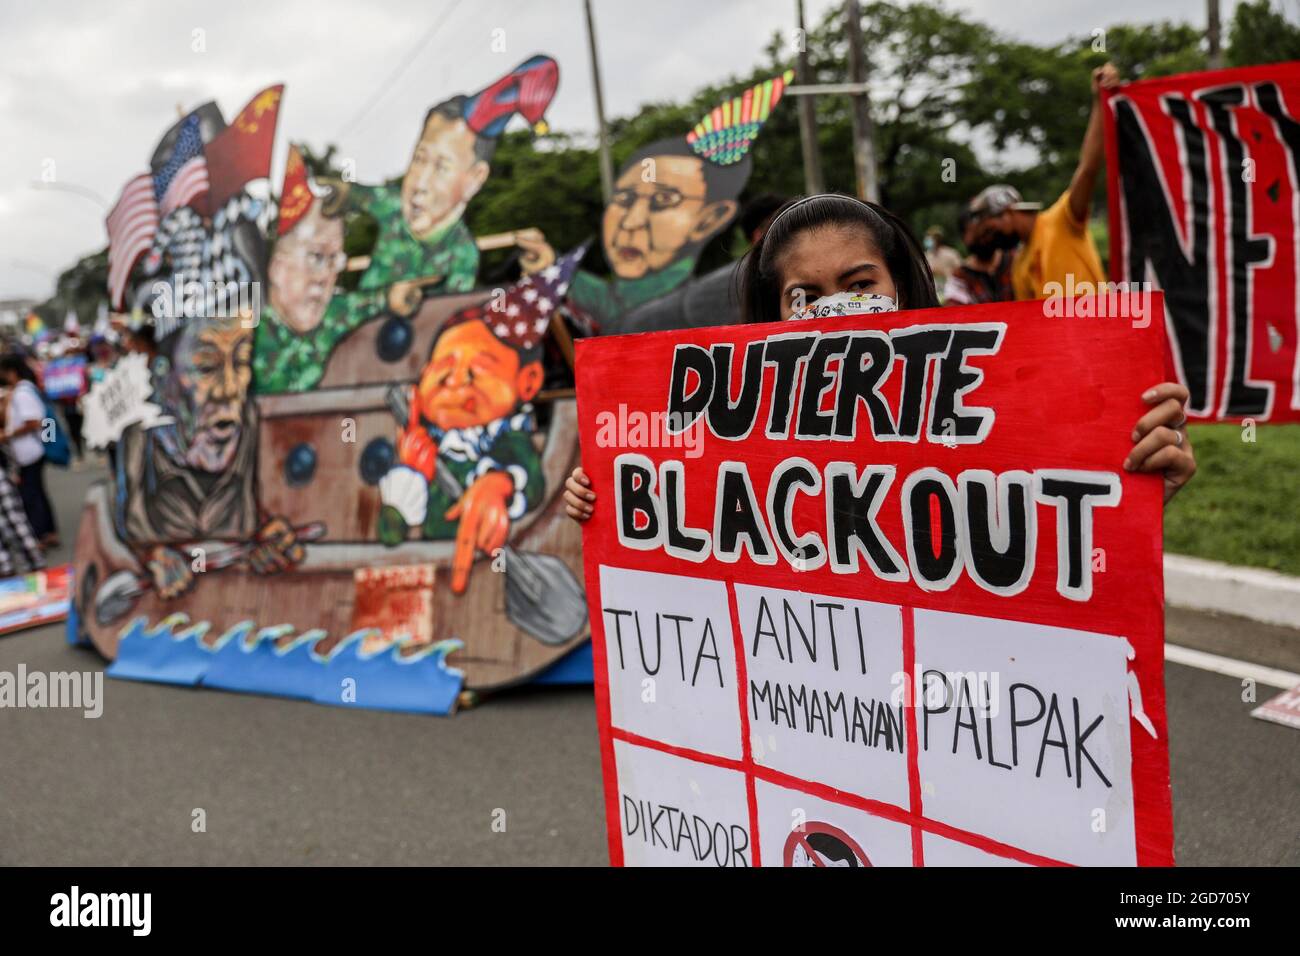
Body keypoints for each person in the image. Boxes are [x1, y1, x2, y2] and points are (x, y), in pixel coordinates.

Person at [564, 193, 1196, 520]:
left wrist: (1137, 491)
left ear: (904, 286)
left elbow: (1053, 534)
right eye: (804, 295)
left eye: (860, 285)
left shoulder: (989, 397)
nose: (835, 308)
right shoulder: (732, 430)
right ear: (772, 312)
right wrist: (607, 499)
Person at [113, 313, 303, 599]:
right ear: (168, 379)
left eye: (240, 363)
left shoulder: (249, 423)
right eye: (206, 367)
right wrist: (152, 554)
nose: (228, 388)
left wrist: (268, 535)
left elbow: (258, 513)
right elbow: (127, 533)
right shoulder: (140, 435)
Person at [969, 63, 1121, 301]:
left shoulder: (1063, 220)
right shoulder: (1019, 266)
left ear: (1006, 213)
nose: (992, 239)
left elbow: (1088, 169)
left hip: (1100, 334)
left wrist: (1099, 103)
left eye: (991, 229)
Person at [0, 354, 58, 548]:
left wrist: (8, 435)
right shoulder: (23, 389)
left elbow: (33, 422)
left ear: (11, 372)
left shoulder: (22, 392)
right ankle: (49, 532)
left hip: (30, 452)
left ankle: (41, 535)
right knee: (38, 493)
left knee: (31, 495)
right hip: (31, 451)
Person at [943, 206, 1015, 306]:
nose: (984, 238)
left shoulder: (1015, 261)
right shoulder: (959, 279)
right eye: (976, 233)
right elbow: (955, 315)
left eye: (987, 231)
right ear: (964, 238)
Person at [923, 226, 962, 302]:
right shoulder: (926, 256)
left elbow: (961, 272)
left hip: (951, 293)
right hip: (934, 294)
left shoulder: (951, 254)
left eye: (930, 237)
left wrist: (944, 273)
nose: (928, 240)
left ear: (937, 239)